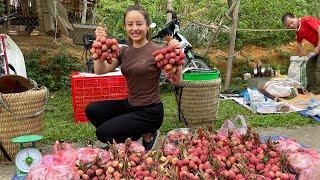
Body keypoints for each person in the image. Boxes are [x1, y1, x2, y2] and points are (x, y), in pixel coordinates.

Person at [85, 5, 182, 151]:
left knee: (102, 133)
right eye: (130, 24)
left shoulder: (157, 51)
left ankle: (147, 133)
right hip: (130, 105)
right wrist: (99, 44)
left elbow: (176, 80)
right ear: (125, 27)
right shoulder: (124, 51)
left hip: (150, 112)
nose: (134, 28)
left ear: (147, 26)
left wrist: (177, 54)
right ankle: (132, 138)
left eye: (139, 24)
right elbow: (100, 70)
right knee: (92, 110)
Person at [282, 13, 320, 94]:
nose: (291, 25)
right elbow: (299, 43)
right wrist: (300, 56)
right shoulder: (298, 31)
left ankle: (317, 90)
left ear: (295, 17)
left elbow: (319, 29)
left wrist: (318, 46)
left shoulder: (306, 20)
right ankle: (311, 89)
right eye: (289, 25)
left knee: (318, 67)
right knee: (310, 64)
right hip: (318, 47)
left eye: (292, 22)